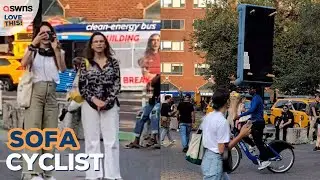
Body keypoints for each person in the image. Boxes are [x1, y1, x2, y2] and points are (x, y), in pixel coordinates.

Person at [20, 21, 66, 180]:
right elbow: (23, 64)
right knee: (33, 132)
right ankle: (31, 173)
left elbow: (62, 69)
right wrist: (33, 44)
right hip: (35, 91)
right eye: (42, 33)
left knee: (50, 133)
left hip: (52, 92)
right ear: (37, 34)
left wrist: (56, 50)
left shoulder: (57, 50)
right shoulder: (32, 50)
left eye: (48, 32)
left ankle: (47, 172)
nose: (46, 36)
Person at [78, 32, 122, 179]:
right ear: (91, 45)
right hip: (90, 105)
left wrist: (106, 101)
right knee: (92, 141)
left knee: (112, 141)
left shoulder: (113, 62)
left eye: (101, 41)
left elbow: (117, 84)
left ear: (105, 44)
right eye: (96, 41)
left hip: (110, 105)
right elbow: (82, 85)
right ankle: (93, 175)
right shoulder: (86, 63)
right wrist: (94, 100)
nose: (99, 44)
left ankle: (112, 175)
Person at [201, 88, 252, 180]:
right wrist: (241, 135)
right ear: (227, 102)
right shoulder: (221, 121)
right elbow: (222, 149)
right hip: (215, 161)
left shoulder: (208, 116)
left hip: (208, 157)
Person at [235, 85, 271, 170]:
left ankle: (265, 160)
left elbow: (252, 110)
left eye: (250, 89)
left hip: (258, 123)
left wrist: (240, 116)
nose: (249, 90)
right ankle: (252, 145)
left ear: (255, 90)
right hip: (255, 121)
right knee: (242, 132)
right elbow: (255, 112)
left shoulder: (256, 98)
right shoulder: (255, 98)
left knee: (258, 142)